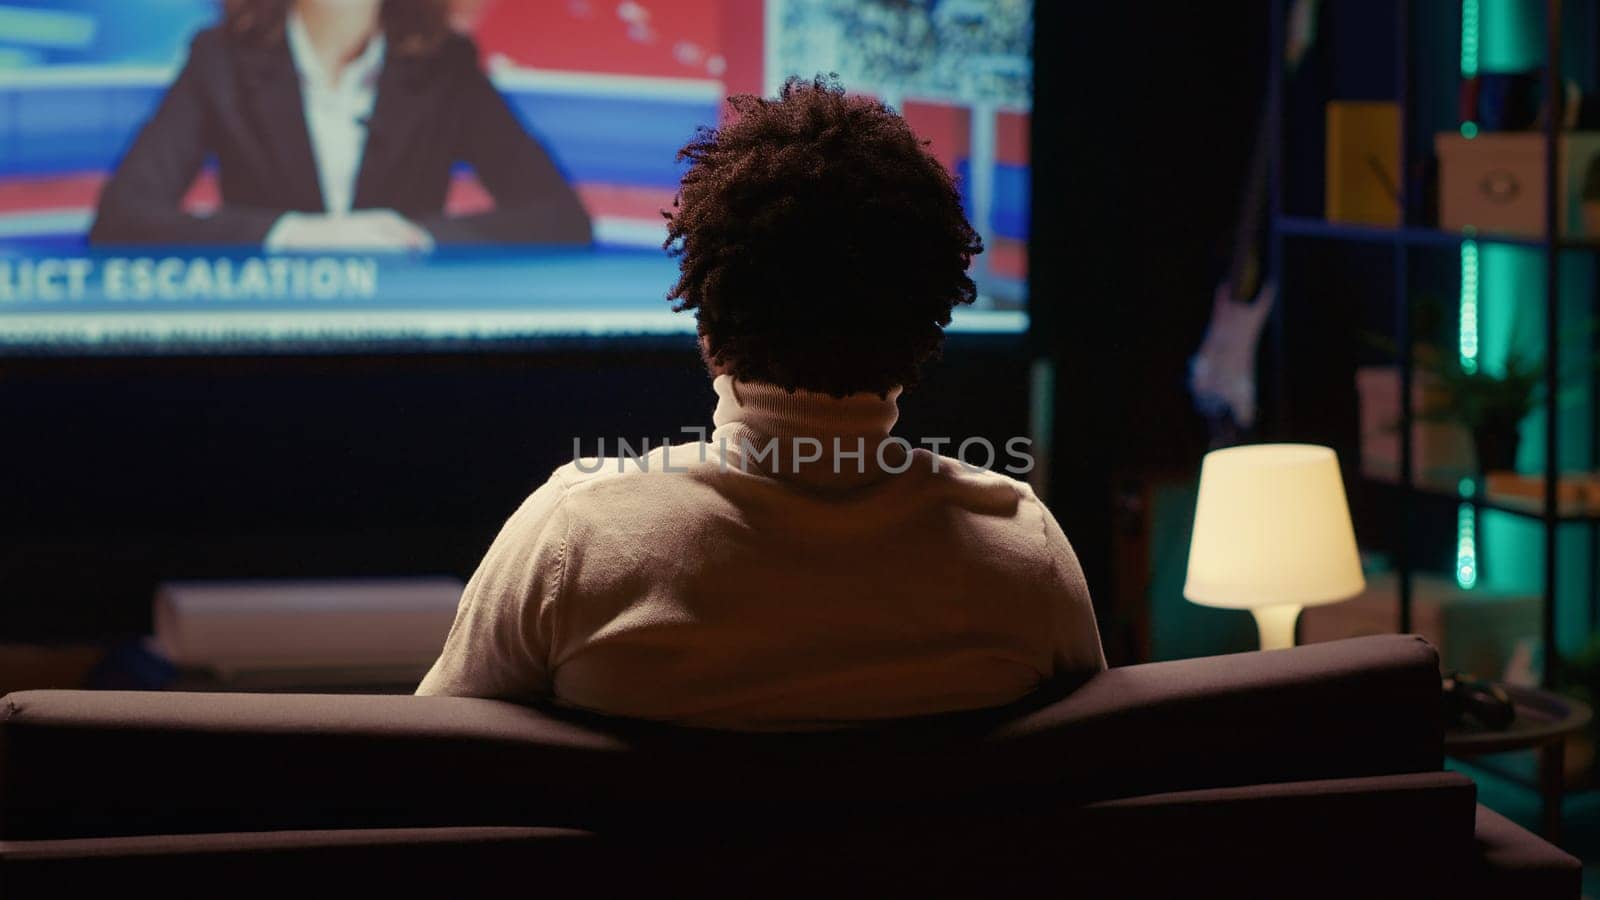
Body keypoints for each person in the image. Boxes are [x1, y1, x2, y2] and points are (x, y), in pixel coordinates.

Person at [417, 77, 1104, 730]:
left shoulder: (574, 539)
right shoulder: (1025, 557)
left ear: (707, 320)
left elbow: (439, 768)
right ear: (929, 327)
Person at [89, 0, 591, 249]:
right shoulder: (218, 59)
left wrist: (414, 238)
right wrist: (293, 235)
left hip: (405, 344)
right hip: (263, 343)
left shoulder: (445, 66)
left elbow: (560, 218)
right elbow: (122, 219)